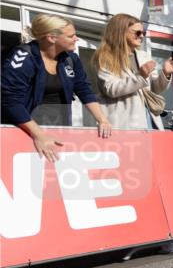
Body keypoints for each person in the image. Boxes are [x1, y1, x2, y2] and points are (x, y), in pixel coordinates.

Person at [1, 13, 112, 161]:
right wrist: (39, 134)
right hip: (25, 130)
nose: (76, 38)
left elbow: (84, 89)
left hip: (58, 127)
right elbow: (10, 101)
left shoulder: (71, 59)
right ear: (52, 38)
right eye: (71, 36)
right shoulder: (23, 57)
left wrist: (102, 119)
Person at [94, 13, 173, 131]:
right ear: (121, 33)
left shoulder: (143, 56)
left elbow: (155, 89)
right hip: (124, 122)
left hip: (149, 118)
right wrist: (140, 77)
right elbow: (111, 89)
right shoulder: (106, 57)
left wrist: (165, 73)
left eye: (143, 33)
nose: (142, 36)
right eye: (137, 33)